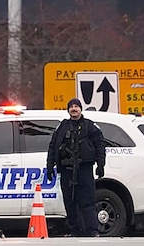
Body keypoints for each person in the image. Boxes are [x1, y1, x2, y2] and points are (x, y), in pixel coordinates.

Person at [46, 98, 106, 237]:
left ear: (80, 109)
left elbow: (100, 144)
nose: (74, 109)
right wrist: (50, 166)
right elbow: (53, 146)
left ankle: (92, 231)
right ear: (68, 110)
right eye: (71, 106)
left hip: (84, 168)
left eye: (76, 106)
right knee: (69, 201)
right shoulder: (62, 127)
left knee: (87, 201)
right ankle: (75, 230)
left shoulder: (89, 126)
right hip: (66, 169)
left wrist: (100, 164)